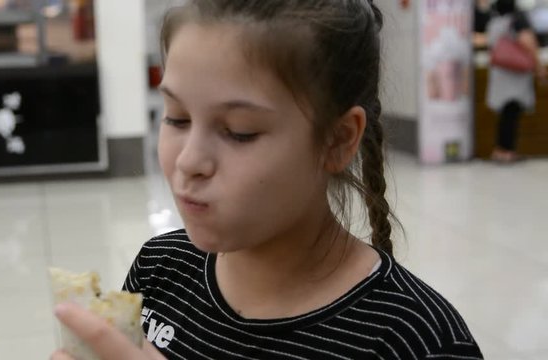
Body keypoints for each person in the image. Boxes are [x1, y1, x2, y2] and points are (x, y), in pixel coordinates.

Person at [52, 1, 484, 359]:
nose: (188, 161)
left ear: (337, 140)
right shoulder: (161, 268)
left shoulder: (416, 340)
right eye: (177, 117)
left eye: (239, 131)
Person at [487, 0, 547, 163]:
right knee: (512, 112)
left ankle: (500, 149)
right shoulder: (517, 20)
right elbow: (528, 43)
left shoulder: (494, 23)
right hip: (515, 74)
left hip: (500, 73)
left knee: (506, 113)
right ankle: (507, 151)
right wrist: (539, 66)